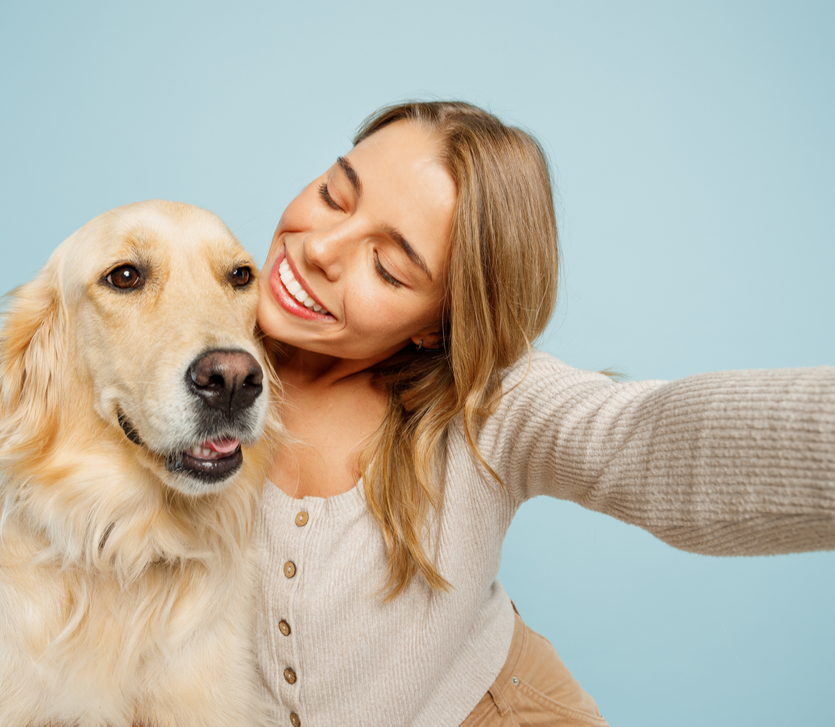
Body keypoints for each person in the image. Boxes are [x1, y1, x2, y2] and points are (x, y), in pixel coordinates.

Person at [252, 100, 835, 726]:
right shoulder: (186, 352)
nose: (320, 248)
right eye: (333, 195)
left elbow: (650, 440)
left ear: (438, 324)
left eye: (388, 267)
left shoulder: (486, 407)